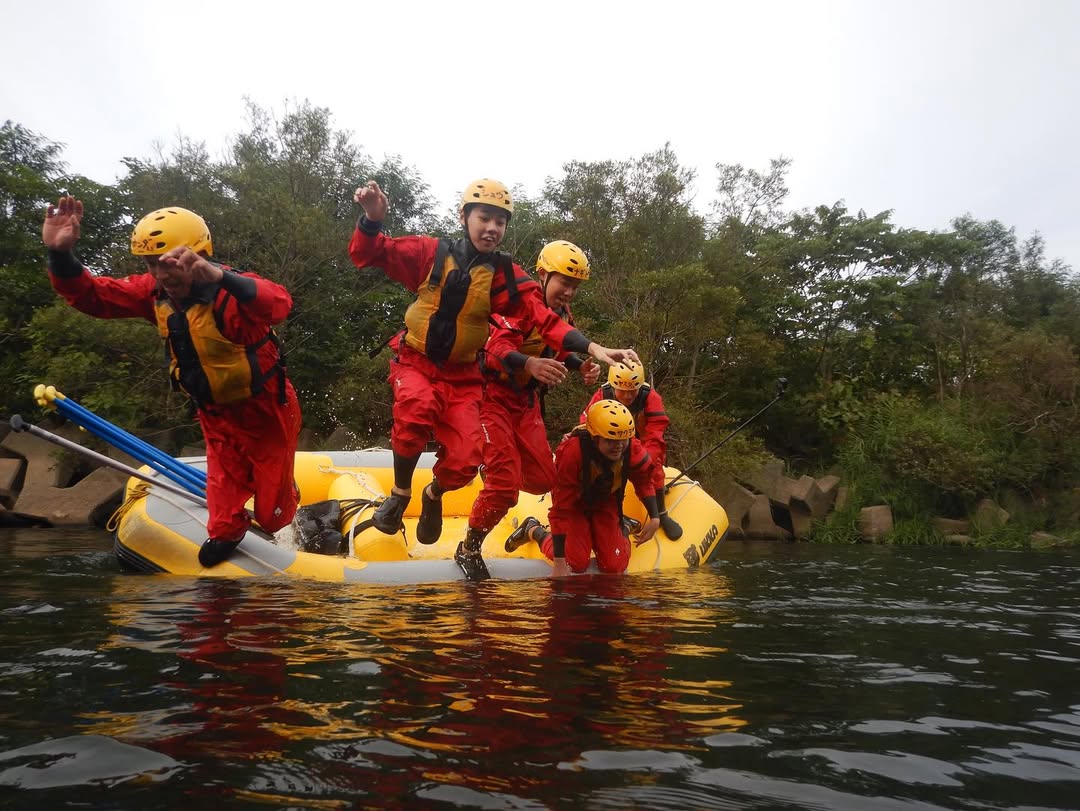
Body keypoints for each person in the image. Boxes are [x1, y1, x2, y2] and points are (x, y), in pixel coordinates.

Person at [348, 178, 638, 575]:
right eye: (484, 218)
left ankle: (444, 490)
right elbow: (370, 255)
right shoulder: (432, 253)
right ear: (464, 217)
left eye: (500, 222)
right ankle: (422, 508)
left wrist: (588, 354)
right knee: (427, 417)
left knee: (536, 478)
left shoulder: (509, 279)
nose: (491, 228)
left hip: (503, 395)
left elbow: (548, 327)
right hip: (465, 382)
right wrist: (372, 219)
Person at [41, 196, 302, 567]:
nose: (161, 274)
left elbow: (279, 304)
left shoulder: (233, 290)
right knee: (224, 528)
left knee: (275, 515)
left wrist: (218, 276)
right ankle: (232, 531)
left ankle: (286, 491)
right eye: (151, 265)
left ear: (198, 255)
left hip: (267, 414)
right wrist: (60, 256)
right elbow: (93, 297)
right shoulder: (154, 294)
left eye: (169, 263)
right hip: (216, 419)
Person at [458, 240, 601, 581]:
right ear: (542, 275)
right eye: (564, 282)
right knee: (505, 486)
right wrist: (531, 364)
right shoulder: (516, 303)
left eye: (575, 286)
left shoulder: (563, 316)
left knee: (543, 480)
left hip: (524, 402)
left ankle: (493, 468)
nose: (569, 291)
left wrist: (580, 365)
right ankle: (469, 547)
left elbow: (558, 347)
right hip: (491, 396)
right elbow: (497, 347)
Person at [506, 400, 660, 577]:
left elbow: (644, 480)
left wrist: (655, 517)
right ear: (595, 438)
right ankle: (533, 530)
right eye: (610, 441)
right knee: (575, 563)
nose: (618, 446)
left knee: (614, 566)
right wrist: (559, 562)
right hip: (575, 505)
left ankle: (623, 526)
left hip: (606, 502)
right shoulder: (572, 453)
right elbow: (561, 509)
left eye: (623, 440)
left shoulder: (632, 448)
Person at [581, 360, 683, 539]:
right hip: (609, 443)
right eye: (622, 390)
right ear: (613, 386)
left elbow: (655, 433)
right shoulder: (602, 396)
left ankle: (661, 514)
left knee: (655, 468)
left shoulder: (650, 398)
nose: (627, 396)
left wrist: (645, 461)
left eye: (632, 390)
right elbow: (586, 424)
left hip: (641, 443)